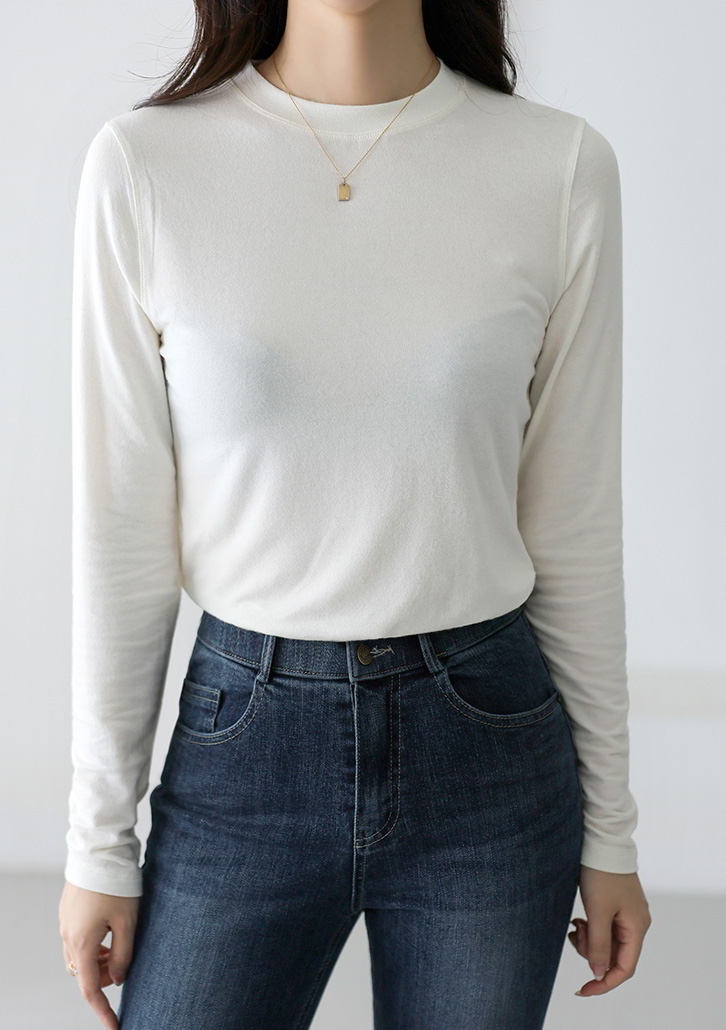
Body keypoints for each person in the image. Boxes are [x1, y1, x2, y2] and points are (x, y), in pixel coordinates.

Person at [57, 2, 652, 1028]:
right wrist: (97, 842)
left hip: (489, 748)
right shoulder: (145, 167)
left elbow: (575, 528)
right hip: (246, 740)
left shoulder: (557, 169)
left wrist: (612, 829)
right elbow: (120, 537)